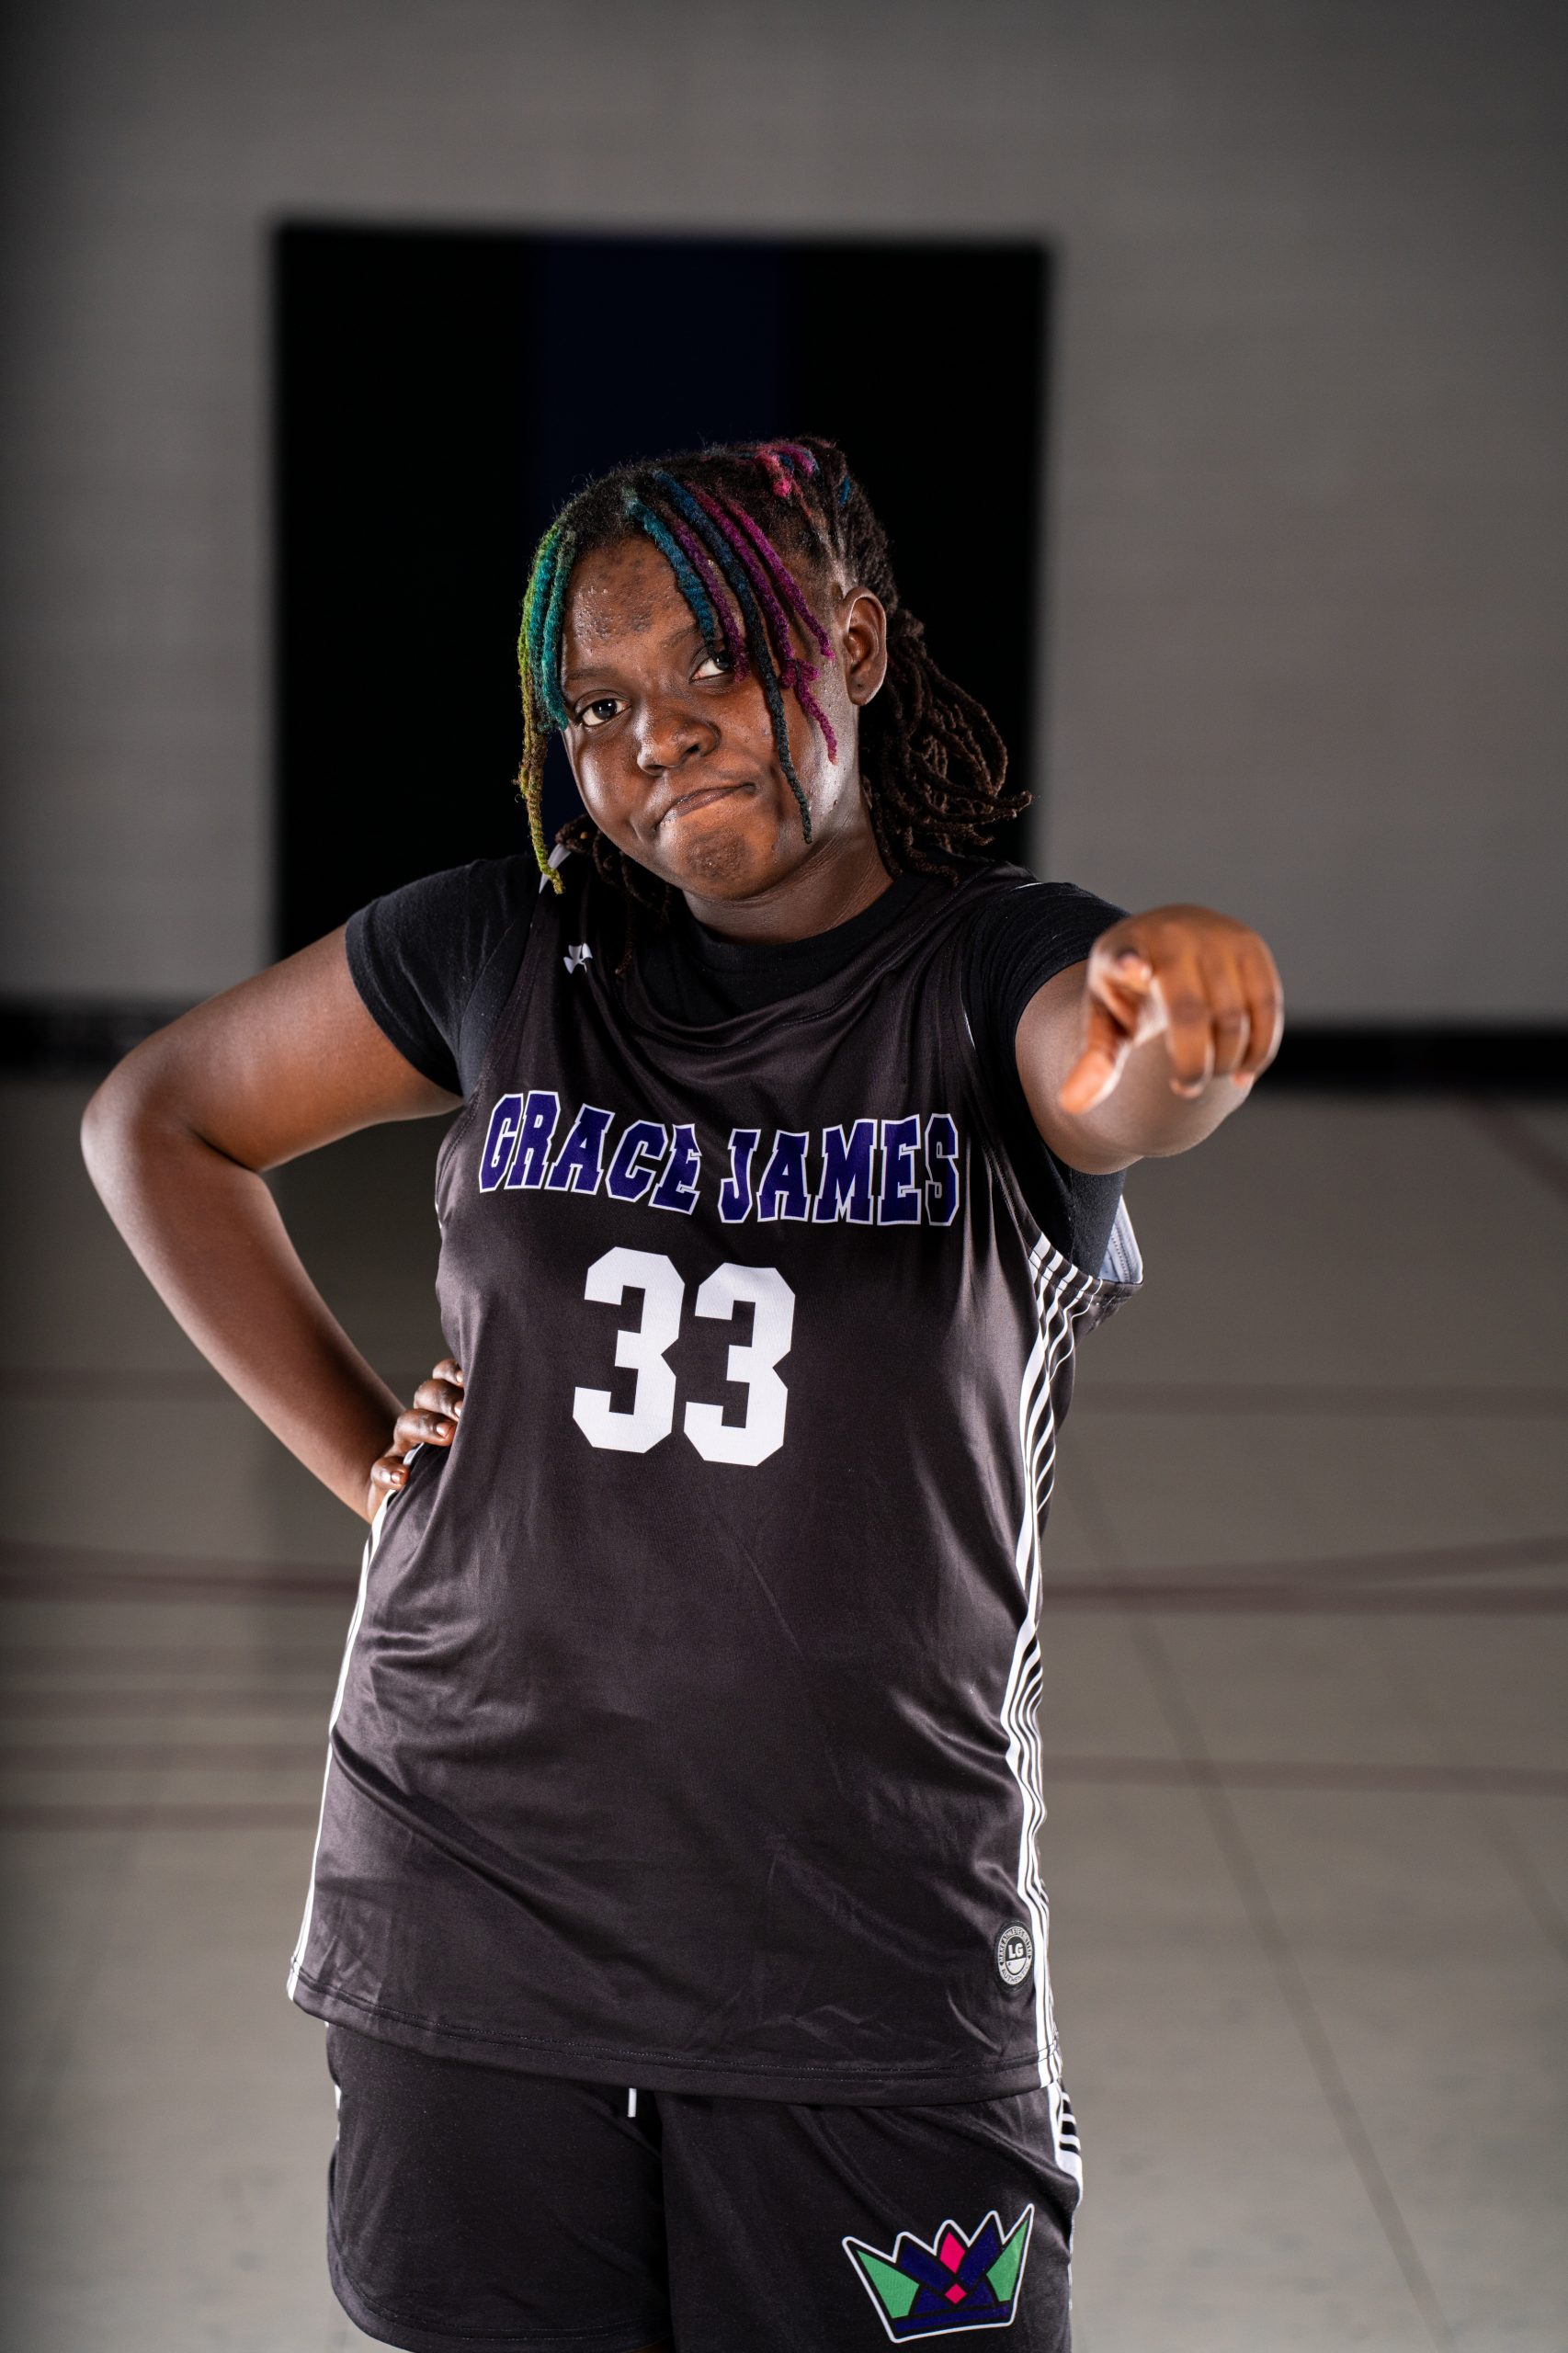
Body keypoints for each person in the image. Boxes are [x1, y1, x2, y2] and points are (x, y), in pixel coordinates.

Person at [83, 436, 1282, 2353]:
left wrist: (1179, 1023)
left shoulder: (993, 967)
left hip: (863, 1936)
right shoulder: (499, 949)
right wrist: (366, 1459)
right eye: (596, 704)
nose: (656, 735)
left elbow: (1110, 1083)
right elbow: (161, 1120)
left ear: (855, 646)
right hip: (469, 1891)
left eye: (718, 660)